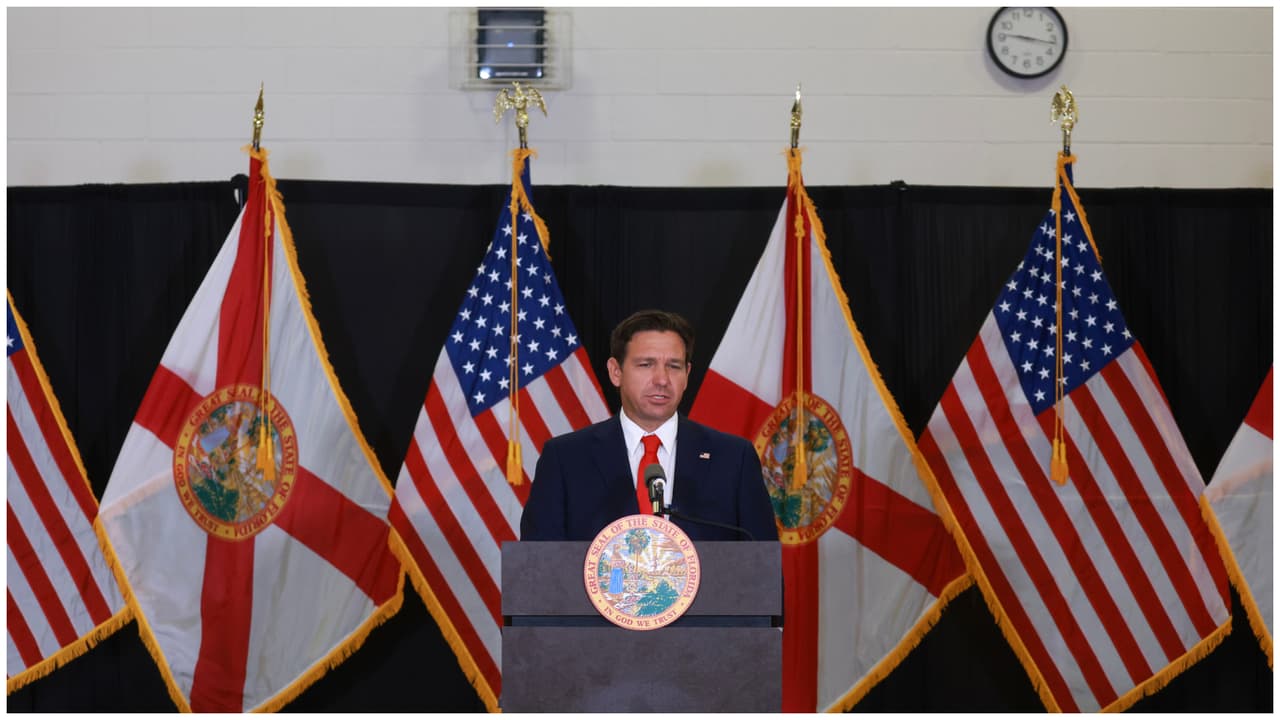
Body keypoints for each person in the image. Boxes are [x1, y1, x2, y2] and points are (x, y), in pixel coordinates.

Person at [520, 310, 778, 542]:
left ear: (687, 375)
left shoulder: (733, 458)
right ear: (616, 372)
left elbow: (762, 568)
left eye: (674, 366)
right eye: (646, 364)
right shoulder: (565, 459)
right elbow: (537, 567)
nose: (662, 379)